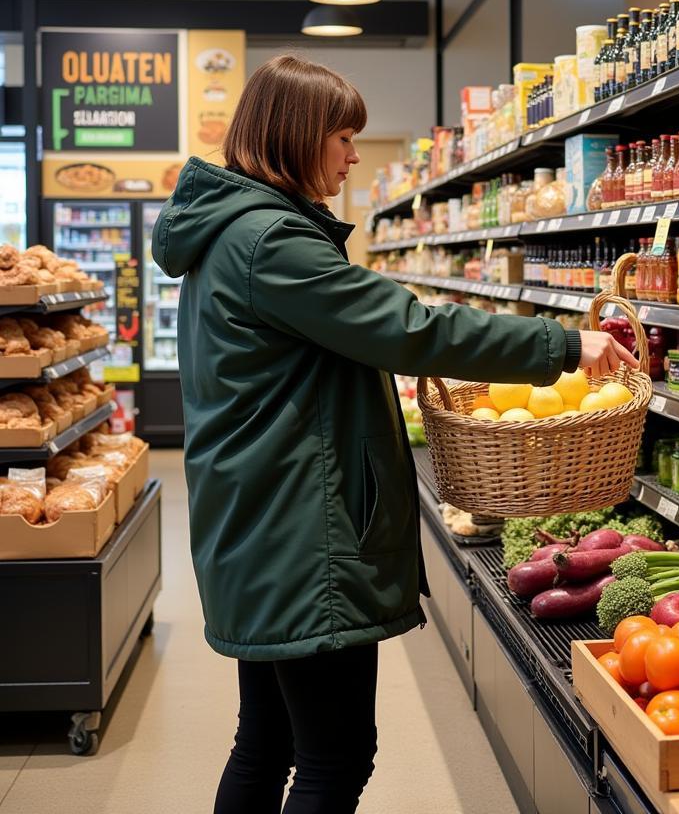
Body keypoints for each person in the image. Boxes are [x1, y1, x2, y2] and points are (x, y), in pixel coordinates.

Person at [152, 55, 637, 814]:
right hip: (299, 536)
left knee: (268, 740)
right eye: (345, 137)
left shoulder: (233, 232)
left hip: (259, 519)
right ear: (298, 136)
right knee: (335, 758)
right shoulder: (270, 242)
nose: (353, 155)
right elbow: (409, 328)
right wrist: (562, 347)